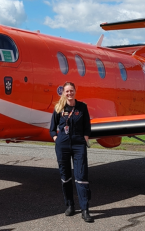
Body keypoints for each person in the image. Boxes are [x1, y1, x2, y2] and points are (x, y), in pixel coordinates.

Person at [49, 82, 93, 222]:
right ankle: (70, 205)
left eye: (71, 91)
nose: (69, 93)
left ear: (75, 91)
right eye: (67, 91)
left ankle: (85, 209)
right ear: (63, 92)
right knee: (65, 176)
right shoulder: (59, 108)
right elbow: (52, 128)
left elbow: (87, 126)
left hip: (78, 144)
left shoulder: (82, 107)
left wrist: (83, 139)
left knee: (81, 177)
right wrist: (57, 139)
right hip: (63, 145)